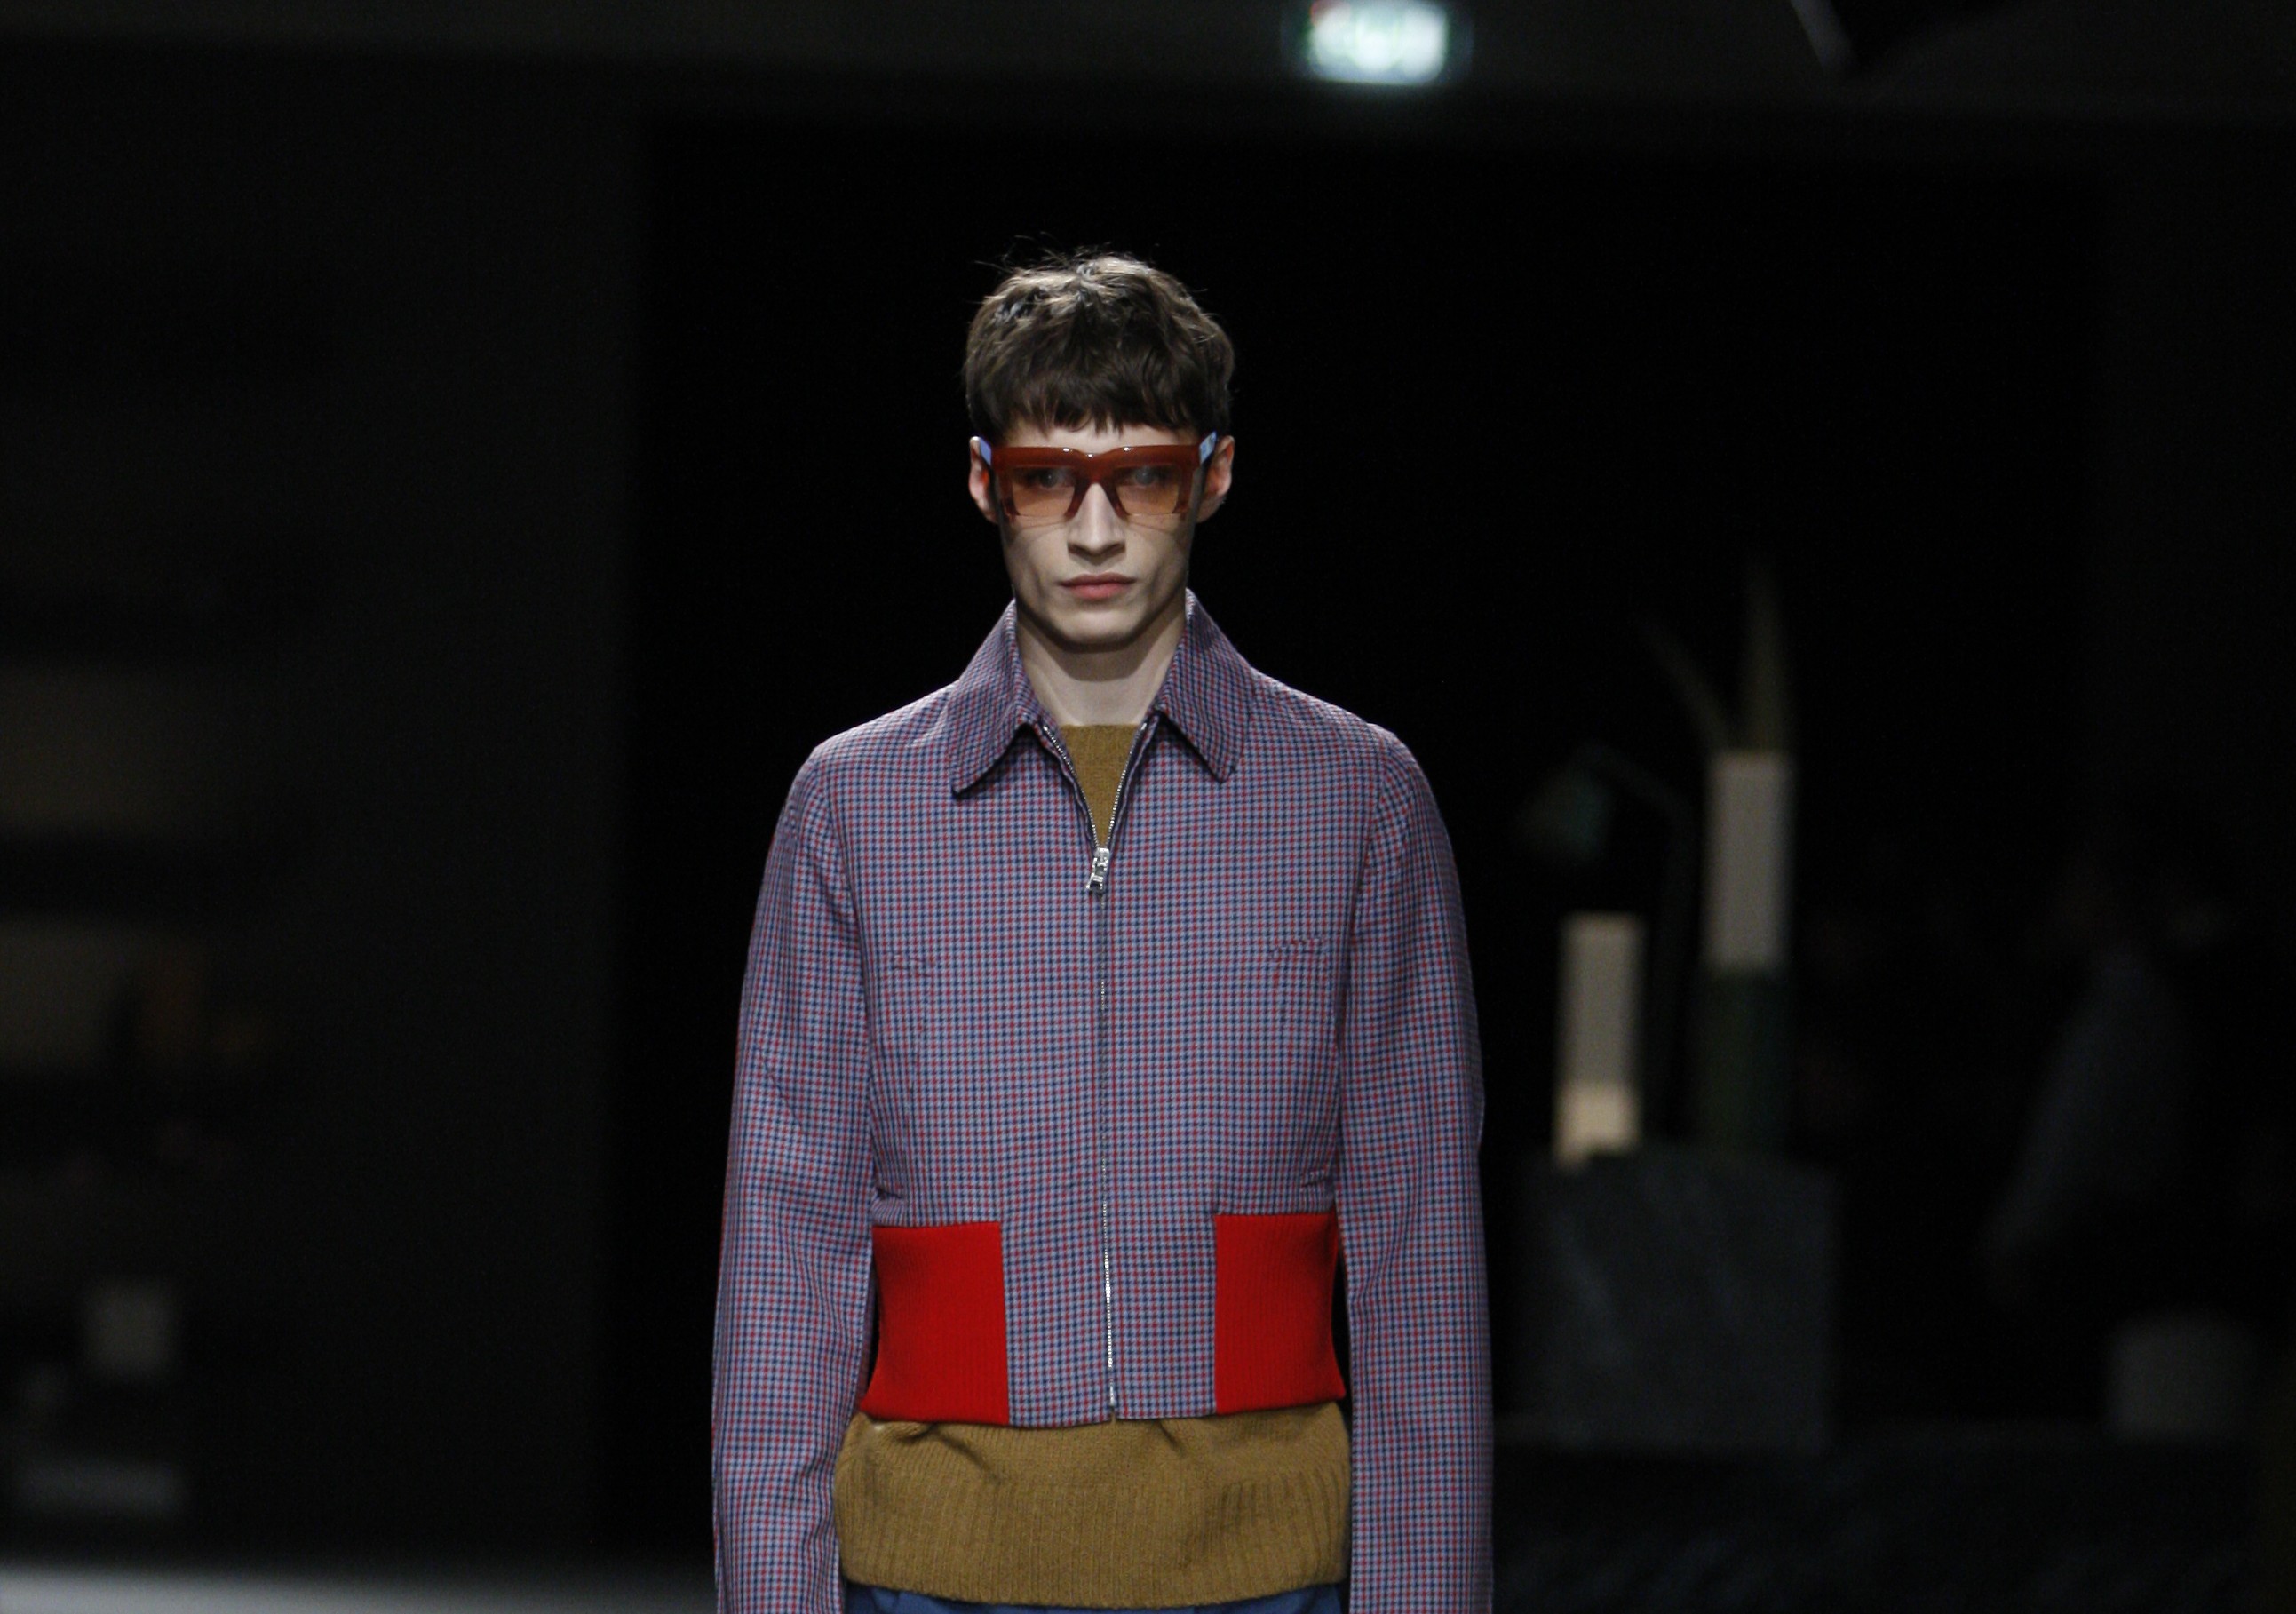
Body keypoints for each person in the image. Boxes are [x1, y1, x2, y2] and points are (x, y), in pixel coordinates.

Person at [712, 251, 1490, 1614]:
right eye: (1045, 478)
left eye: (1139, 476)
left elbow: (1417, 1237)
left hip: (1265, 1573)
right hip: (928, 1575)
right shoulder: (856, 805)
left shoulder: (1353, 798)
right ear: (982, 483)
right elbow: (787, 1241)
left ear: (1213, 476)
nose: (1092, 529)